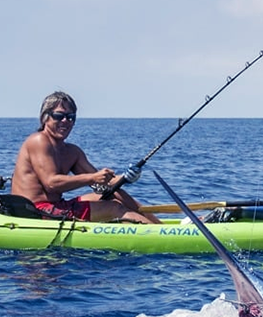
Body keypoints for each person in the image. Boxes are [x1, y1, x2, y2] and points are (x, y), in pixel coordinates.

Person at [10, 91, 161, 224]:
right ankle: (158, 236)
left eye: (70, 117)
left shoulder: (72, 152)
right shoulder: (38, 141)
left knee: (114, 194)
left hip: (57, 206)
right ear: (45, 118)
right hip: (35, 211)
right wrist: (93, 178)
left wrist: (126, 178)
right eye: (59, 116)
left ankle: (160, 226)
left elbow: (104, 184)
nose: (65, 121)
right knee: (114, 207)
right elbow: (52, 183)